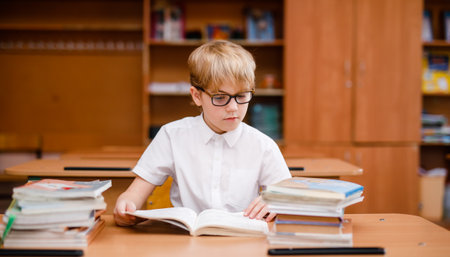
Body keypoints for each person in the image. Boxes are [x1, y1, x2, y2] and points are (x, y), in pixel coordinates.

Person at [114, 40, 291, 226]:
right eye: (220, 98)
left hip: (242, 242)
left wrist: (275, 201)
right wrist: (127, 205)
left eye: (241, 96)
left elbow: (288, 196)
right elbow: (134, 193)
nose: (233, 108)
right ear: (197, 96)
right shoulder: (172, 136)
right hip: (185, 242)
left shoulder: (262, 145)